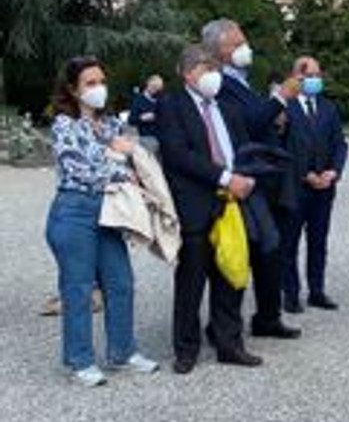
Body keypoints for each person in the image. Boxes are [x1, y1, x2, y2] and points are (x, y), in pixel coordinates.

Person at [46, 56, 159, 387]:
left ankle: (122, 353)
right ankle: (80, 360)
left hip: (109, 211)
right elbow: (81, 168)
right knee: (78, 289)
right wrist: (121, 165)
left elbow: (131, 156)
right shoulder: (63, 125)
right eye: (90, 83)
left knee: (120, 282)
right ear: (73, 89)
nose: (99, 89)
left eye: (101, 81)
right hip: (74, 212)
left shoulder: (109, 123)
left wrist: (120, 158)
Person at [158, 45, 261, 374]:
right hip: (196, 205)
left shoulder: (227, 108)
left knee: (231, 274)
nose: (213, 75)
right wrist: (226, 177)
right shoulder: (171, 105)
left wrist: (247, 175)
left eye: (215, 68)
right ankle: (186, 350)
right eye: (206, 68)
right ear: (187, 73)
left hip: (232, 203)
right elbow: (178, 154)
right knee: (191, 280)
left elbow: (243, 148)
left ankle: (230, 343)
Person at [201, 19, 301, 341]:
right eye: (237, 43)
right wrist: (281, 98)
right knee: (248, 248)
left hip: (265, 177)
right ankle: (226, 325)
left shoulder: (242, 80)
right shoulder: (219, 84)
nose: (246, 48)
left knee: (268, 249)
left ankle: (267, 317)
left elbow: (259, 121)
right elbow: (247, 124)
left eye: (244, 41)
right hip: (242, 178)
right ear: (219, 51)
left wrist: (278, 116)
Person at [281, 56, 348, 313]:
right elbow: (281, 148)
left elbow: (339, 144)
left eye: (319, 75)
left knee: (318, 242)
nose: (316, 80)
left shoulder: (328, 108)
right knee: (290, 242)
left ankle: (317, 291)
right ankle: (291, 293)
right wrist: (305, 173)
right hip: (296, 187)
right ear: (296, 76)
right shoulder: (284, 107)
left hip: (324, 188)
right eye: (310, 75)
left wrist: (334, 171)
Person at [129, 74, 163, 154]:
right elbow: (131, 120)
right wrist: (142, 118)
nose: (156, 90)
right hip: (147, 137)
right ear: (148, 84)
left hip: (162, 136)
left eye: (158, 88)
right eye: (154, 86)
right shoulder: (139, 100)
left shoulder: (161, 98)